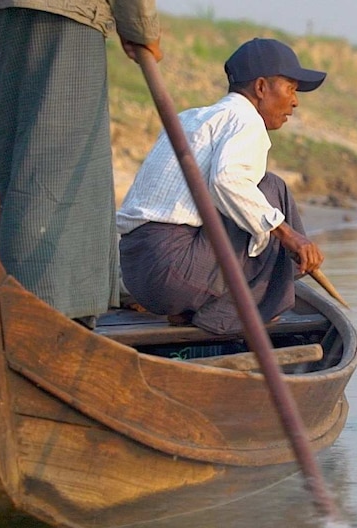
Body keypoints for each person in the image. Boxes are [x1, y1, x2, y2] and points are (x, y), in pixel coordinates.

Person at [0, 0, 163, 328]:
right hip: (64, 10)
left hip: (2, 9)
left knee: (20, 149)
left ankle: (25, 298)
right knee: (61, 160)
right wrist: (141, 28)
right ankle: (46, 306)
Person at [116, 38, 327, 335]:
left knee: (257, 195)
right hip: (174, 270)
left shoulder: (191, 117)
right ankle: (241, 310)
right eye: (291, 88)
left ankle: (190, 309)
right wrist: (289, 234)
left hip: (137, 272)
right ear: (261, 87)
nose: (295, 101)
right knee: (271, 189)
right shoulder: (245, 120)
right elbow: (227, 180)